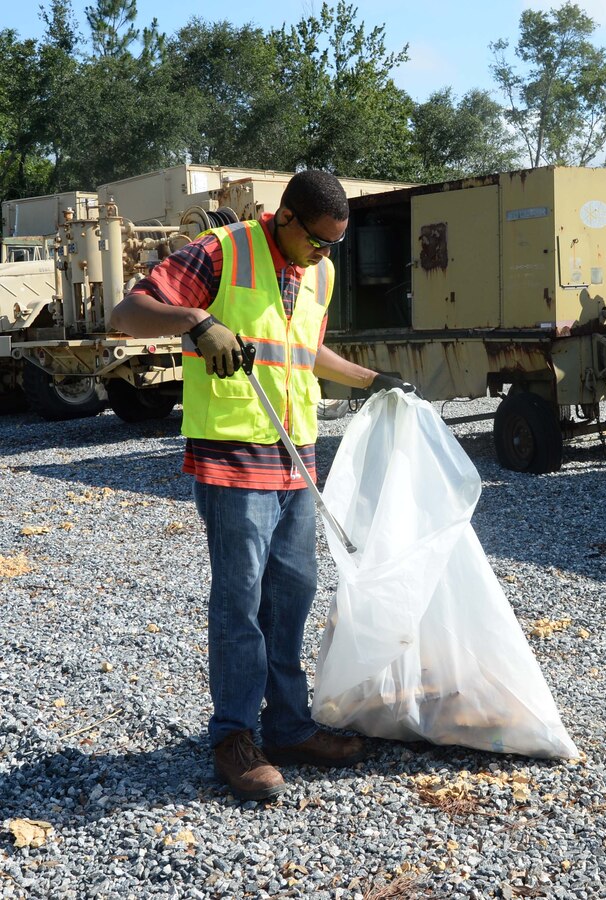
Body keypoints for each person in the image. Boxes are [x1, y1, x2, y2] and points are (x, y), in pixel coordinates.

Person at [110, 170, 417, 802]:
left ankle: (287, 727)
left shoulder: (319, 274)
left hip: (294, 458)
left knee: (291, 598)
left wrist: (370, 380)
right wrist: (196, 320)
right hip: (232, 457)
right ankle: (234, 738)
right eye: (319, 241)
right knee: (241, 602)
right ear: (286, 219)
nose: (326, 255)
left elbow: (303, 352)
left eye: (335, 244)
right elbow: (127, 313)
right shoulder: (224, 251)